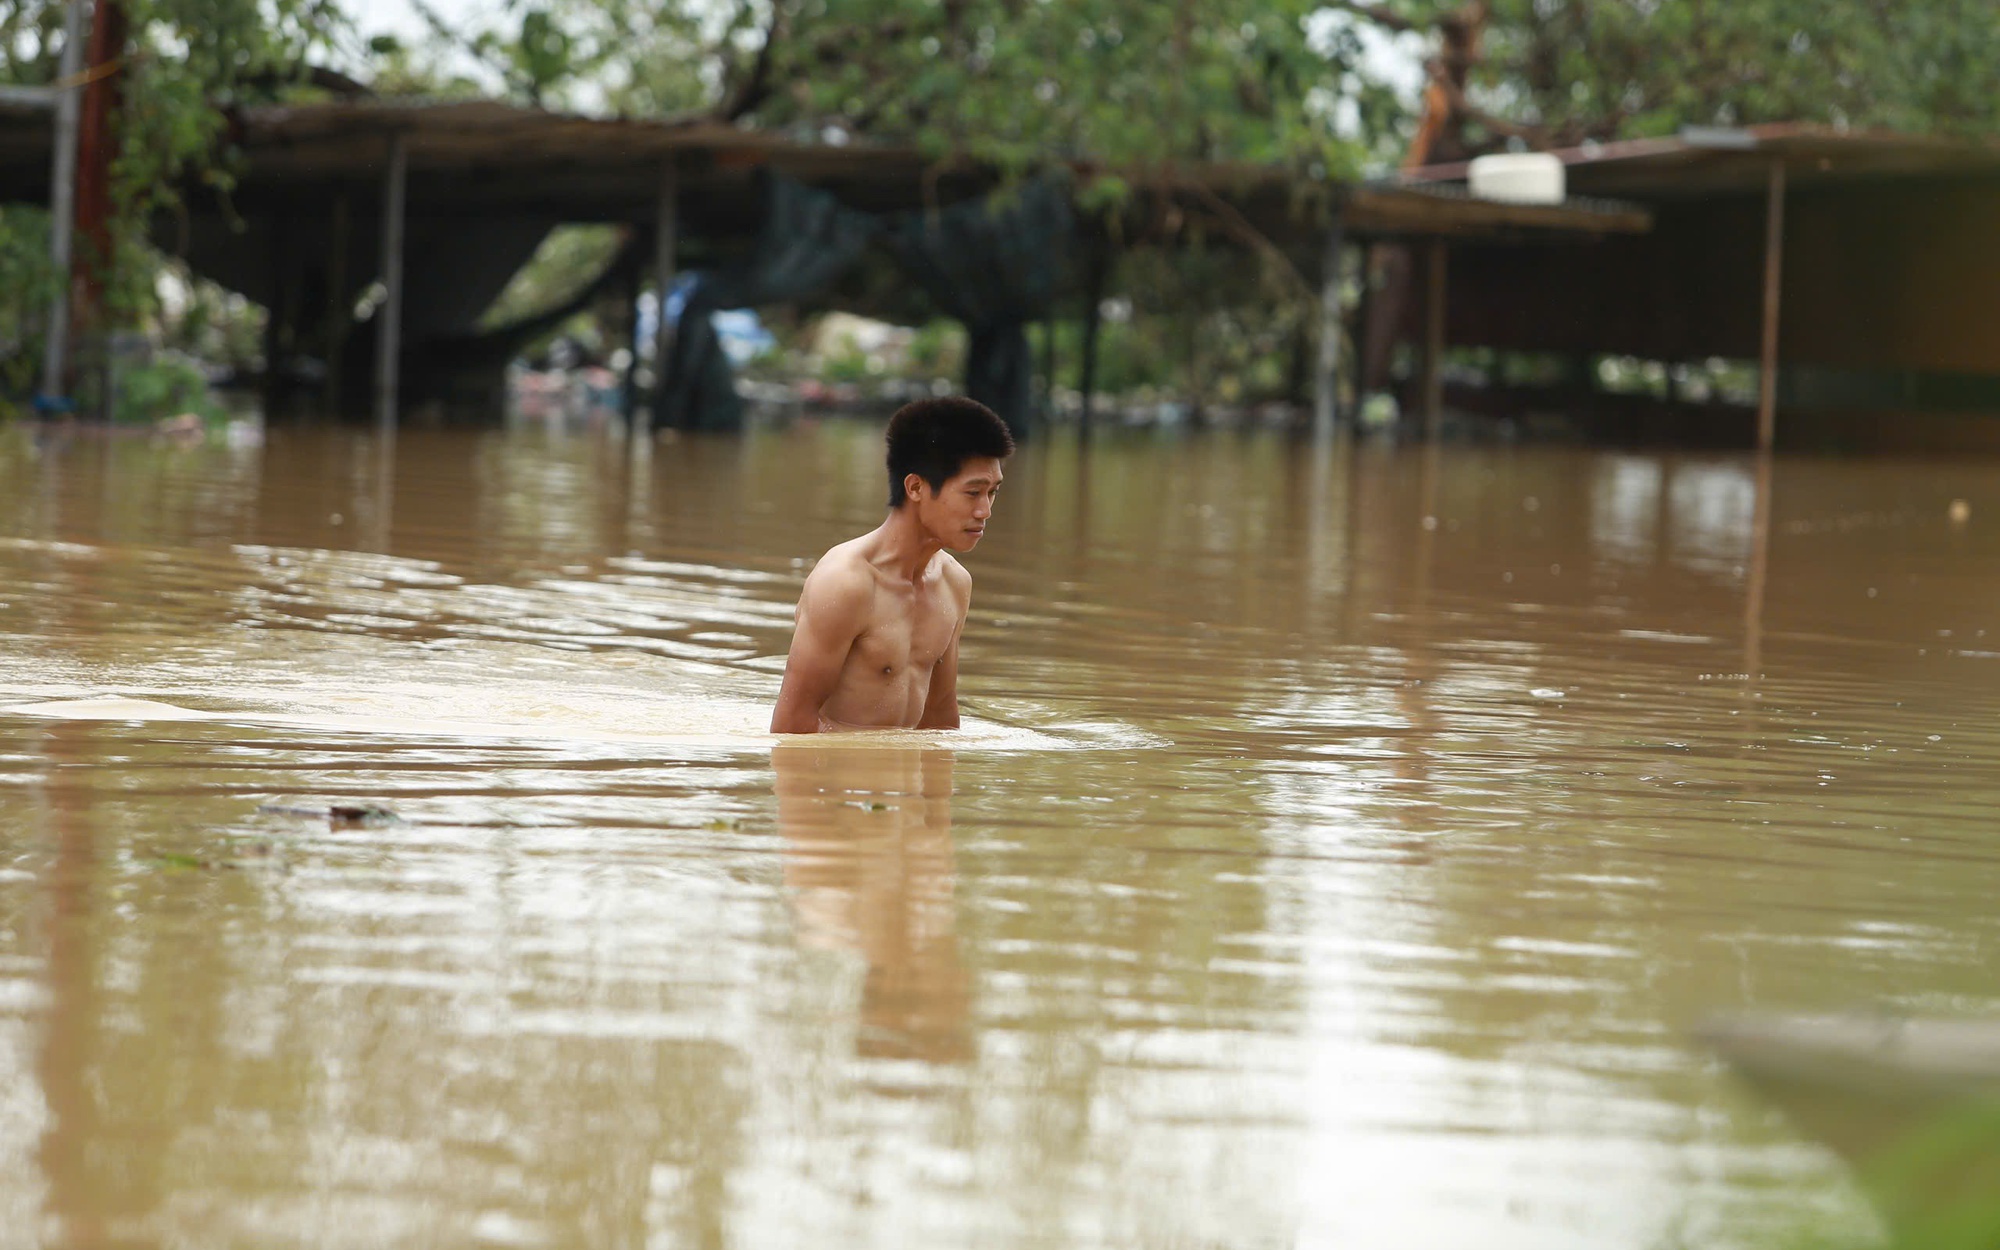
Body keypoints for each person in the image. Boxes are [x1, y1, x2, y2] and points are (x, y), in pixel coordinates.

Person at [769, 396, 1014, 733]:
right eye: (973, 493)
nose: (985, 511)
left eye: (993, 493)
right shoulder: (846, 582)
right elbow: (791, 725)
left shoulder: (955, 583)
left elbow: (940, 719)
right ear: (915, 487)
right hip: (838, 781)